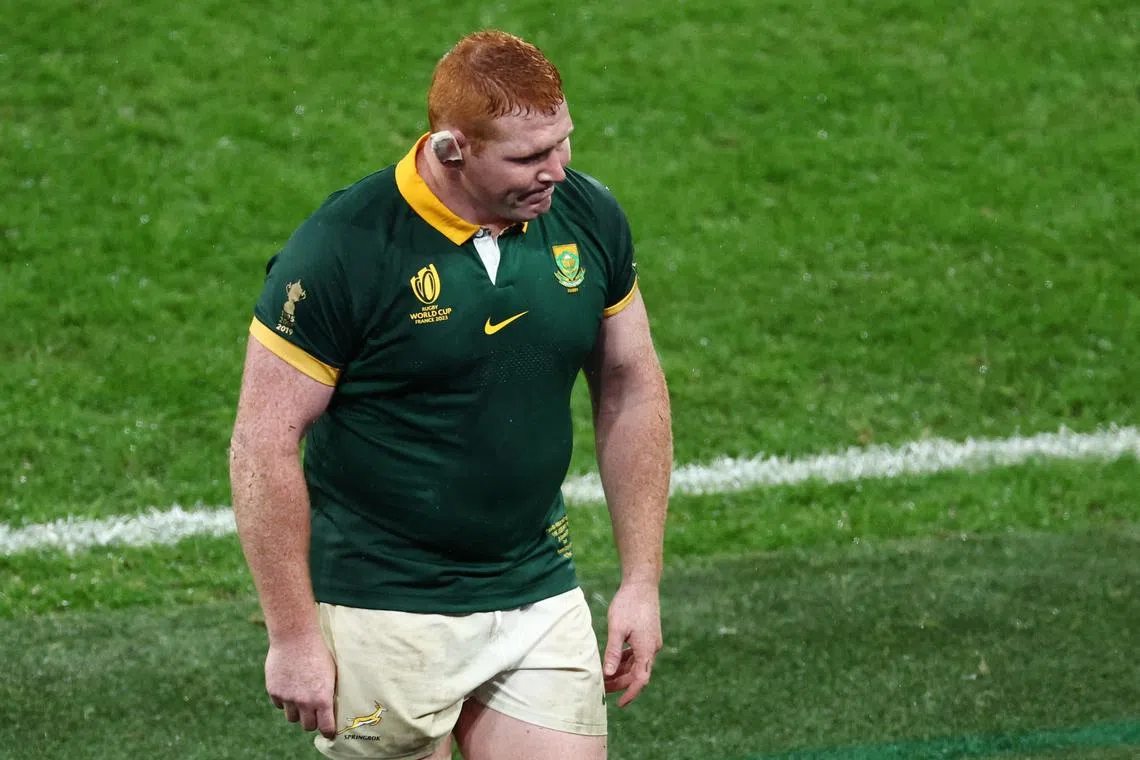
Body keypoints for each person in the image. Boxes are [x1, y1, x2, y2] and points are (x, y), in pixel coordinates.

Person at [229, 29, 672, 760]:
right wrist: (293, 636)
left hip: (535, 585)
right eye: (529, 157)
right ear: (451, 147)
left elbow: (632, 384)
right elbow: (262, 440)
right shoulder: (344, 249)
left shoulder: (587, 216)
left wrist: (640, 581)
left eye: (562, 143)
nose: (557, 171)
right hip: (383, 605)